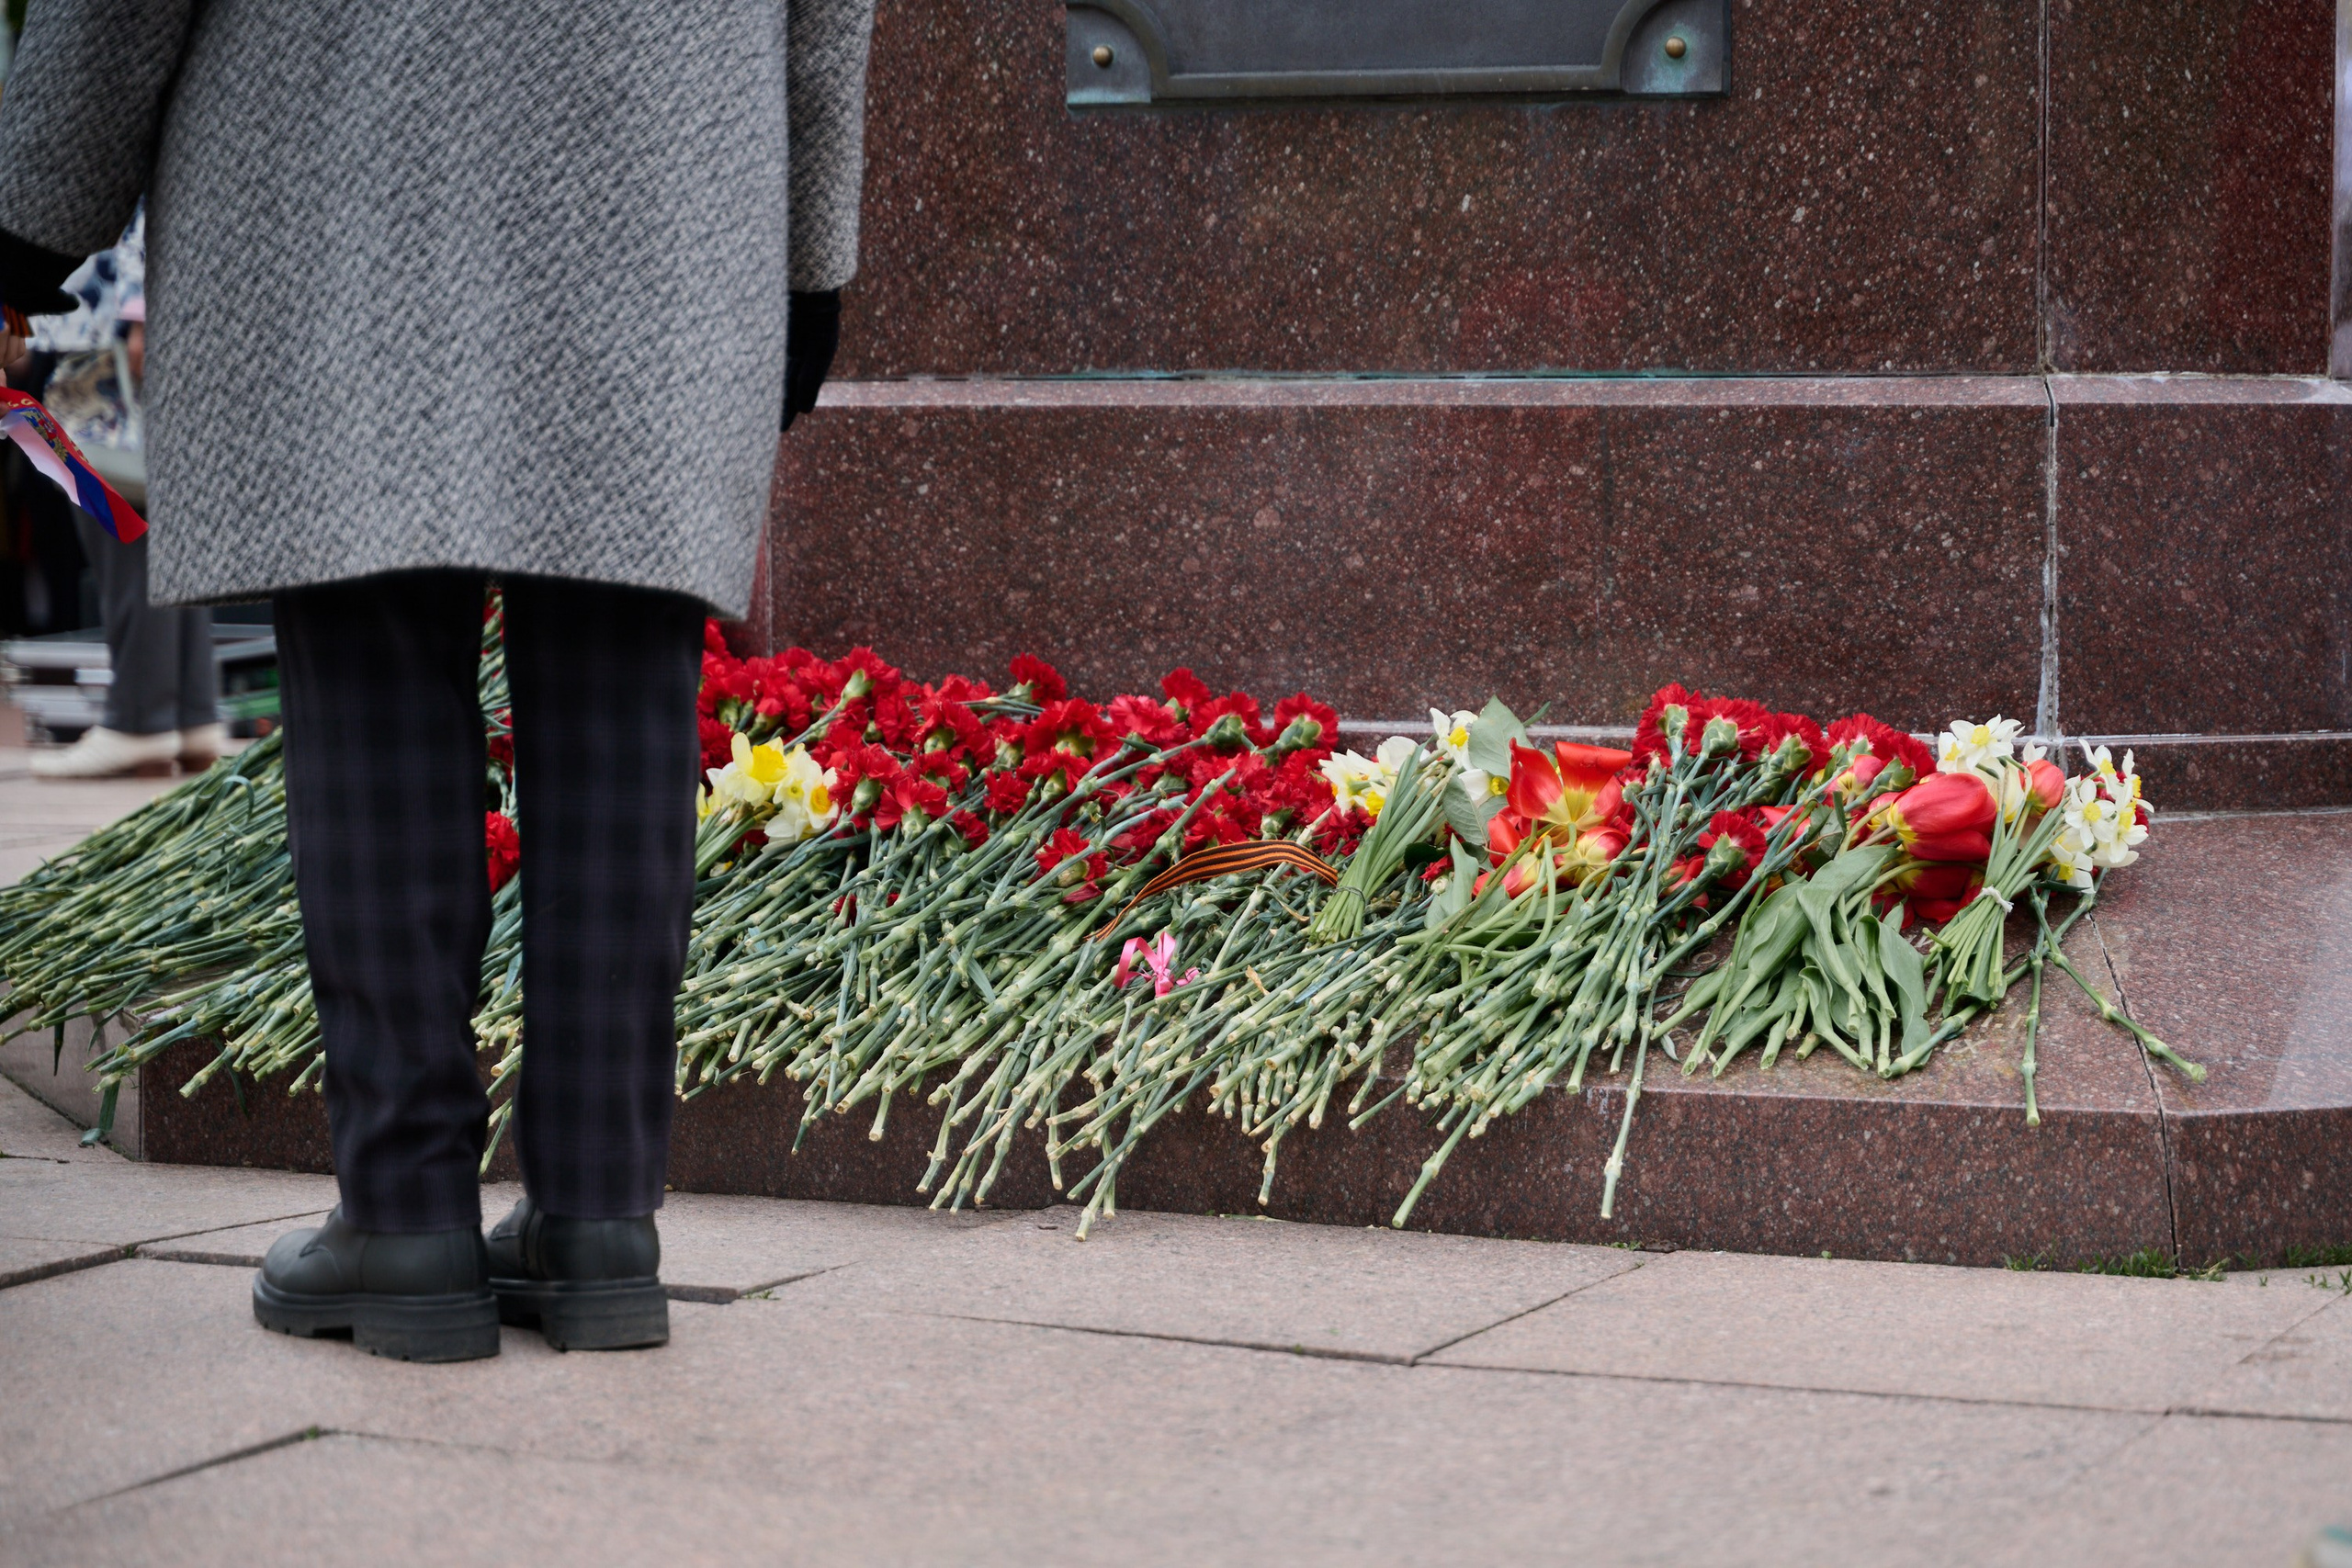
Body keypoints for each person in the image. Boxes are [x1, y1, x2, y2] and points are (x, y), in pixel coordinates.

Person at [0, 1, 876, 1362]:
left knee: (370, 642)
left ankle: (406, 1213)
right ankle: (598, 1218)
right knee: (620, 665)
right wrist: (814, 244)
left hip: (336, 145)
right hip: (665, 157)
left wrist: (32, 206)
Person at [25, 209, 226, 778]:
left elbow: (138, 202)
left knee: (120, 528)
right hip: (114, 327)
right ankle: (188, 711)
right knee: (157, 536)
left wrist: (141, 314)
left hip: (110, 337)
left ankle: (141, 717)